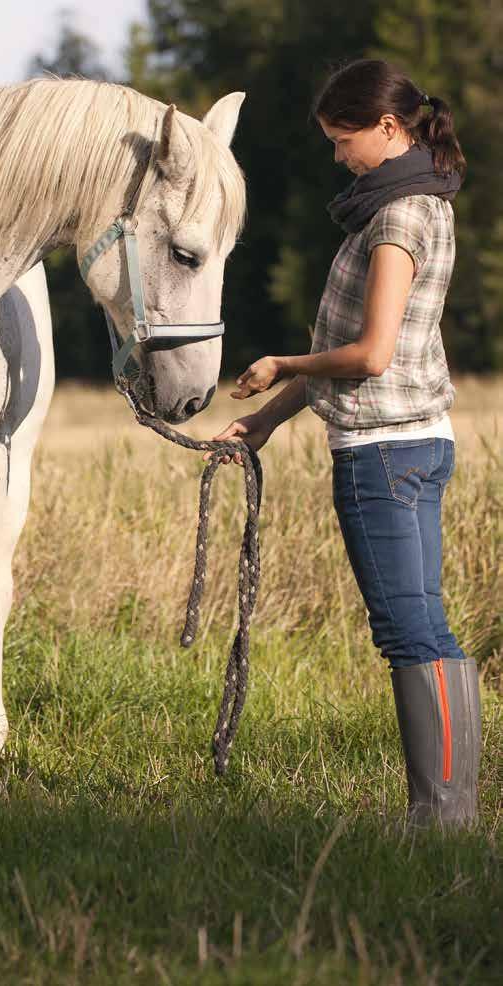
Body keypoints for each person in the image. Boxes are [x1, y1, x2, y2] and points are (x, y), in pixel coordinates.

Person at [207, 59, 481, 828]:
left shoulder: (394, 221)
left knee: (409, 632)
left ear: (389, 128)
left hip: (381, 455)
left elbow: (368, 354)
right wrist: (267, 419)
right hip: (419, 443)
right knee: (427, 626)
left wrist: (280, 364)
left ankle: (440, 816)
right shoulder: (420, 202)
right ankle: (450, 810)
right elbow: (355, 348)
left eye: (344, 140)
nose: (340, 157)